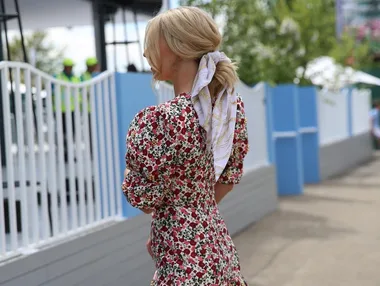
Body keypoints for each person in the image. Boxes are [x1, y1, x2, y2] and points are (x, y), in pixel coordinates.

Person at [122, 6, 249, 285]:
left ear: (173, 47)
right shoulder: (228, 110)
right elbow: (227, 179)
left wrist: (172, 219)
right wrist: (193, 210)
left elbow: (144, 199)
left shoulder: (161, 121)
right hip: (217, 252)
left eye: (151, 43)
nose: (146, 53)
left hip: (181, 264)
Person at [54, 58, 81, 161]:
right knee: (62, 133)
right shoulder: (58, 77)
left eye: (71, 67)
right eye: (69, 67)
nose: (70, 69)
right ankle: (62, 154)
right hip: (61, 110)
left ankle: (69, 153)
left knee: (71, 133)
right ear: (65, 67)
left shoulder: (75, 78)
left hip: (72, 110)